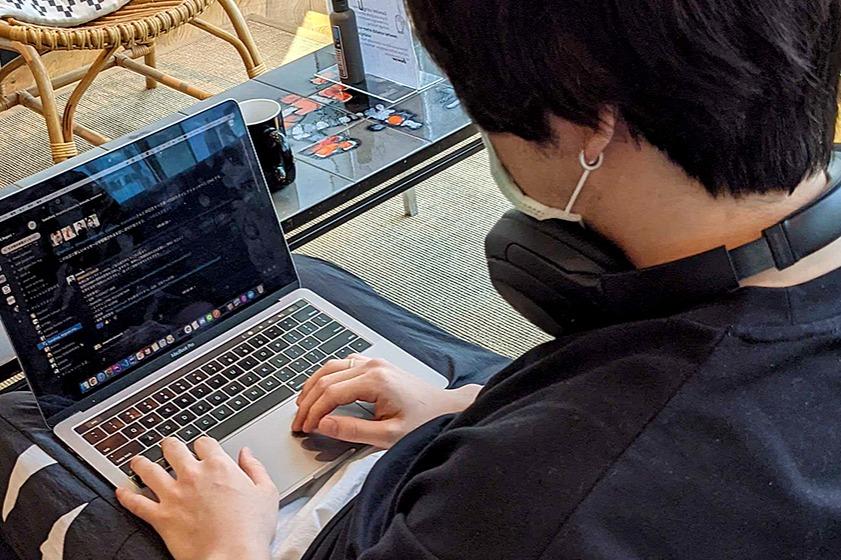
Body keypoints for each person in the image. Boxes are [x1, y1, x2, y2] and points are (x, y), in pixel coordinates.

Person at [4, 0, 841, 558]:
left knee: (15, 418)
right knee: (314, 278)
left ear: (590, 121)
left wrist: (229, 545)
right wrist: (471, 409)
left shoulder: (549, 496)